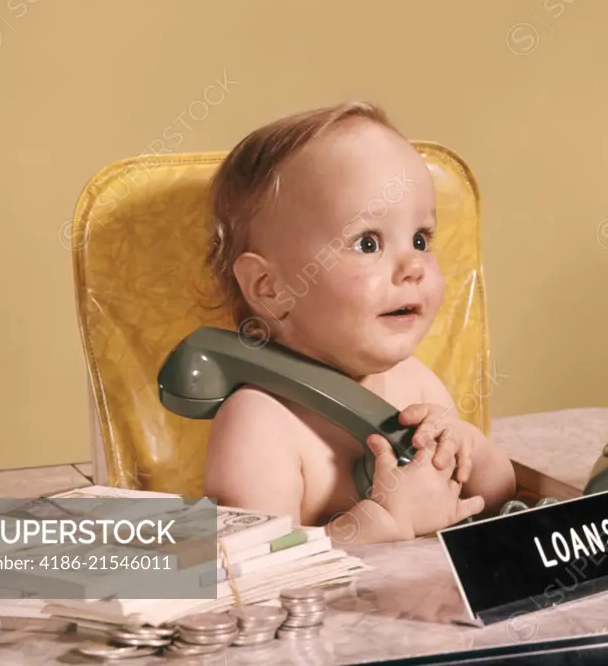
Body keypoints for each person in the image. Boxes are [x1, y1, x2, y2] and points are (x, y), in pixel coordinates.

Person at [202, 101, 516, 545]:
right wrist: (381, 524)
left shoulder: (416, 385)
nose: (413, 266)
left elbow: (496, 497)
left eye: (421, 239)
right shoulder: (259, 424)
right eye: (368, 243)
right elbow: (247, 565)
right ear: (271, 288)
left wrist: (470, 450)